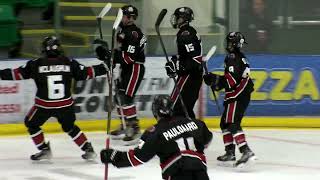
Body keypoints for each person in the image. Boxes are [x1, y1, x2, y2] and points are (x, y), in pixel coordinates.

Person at [0, 36, 109, 161]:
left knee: (31, 124)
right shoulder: (69, 62)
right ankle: (88, 149)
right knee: (69, 127)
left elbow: (15, 74)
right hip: (65, 106)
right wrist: (105, 67)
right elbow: (87, 73)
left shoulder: (36, 64)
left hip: (43, 106)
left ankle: (44, 149)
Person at [100, 95, 212, 180]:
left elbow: (138, 157)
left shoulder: (154, 131)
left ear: (155, 112)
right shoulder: (195, 122)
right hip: (200, 169)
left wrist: (114, 156)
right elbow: (207, 140)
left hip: (177, 171)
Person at [203, 32, 257, 168]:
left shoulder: (233, 57)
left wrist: (214, 80)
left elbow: (231, 81)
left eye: (230, 42)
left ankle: (246, 151)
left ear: (235, 44)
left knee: (232, 123)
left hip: (238, 95)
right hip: (239, 94)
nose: (228, 45)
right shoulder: (238, 57)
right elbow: (231, 79)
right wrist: (215, 81)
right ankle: (230, 152)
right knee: (224, 123)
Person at [95, 5, 146, 145]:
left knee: (126, 98)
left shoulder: (134, 33)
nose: (121, 17)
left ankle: (134, 128)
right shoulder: (123, 31)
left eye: (123, 15)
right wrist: (107, 53)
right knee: (118, 96)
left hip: (134, 68)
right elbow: (120, 54)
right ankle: (125, 124)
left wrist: (111, 55)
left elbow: (129, 57)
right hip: (126, 68)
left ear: (130, 18)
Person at [165, 7, 203, 118]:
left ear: (183, 18)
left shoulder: (186, 33)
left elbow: (194, 59)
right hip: (191, 76)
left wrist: (177, 66)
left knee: (175, 107)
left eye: (177, 17)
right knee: (184, 109)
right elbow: (186, 56)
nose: (175, 19)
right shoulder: (186, 32)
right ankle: (195, 132)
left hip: (189, 76)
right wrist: (175, 62)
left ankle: (192, 132)